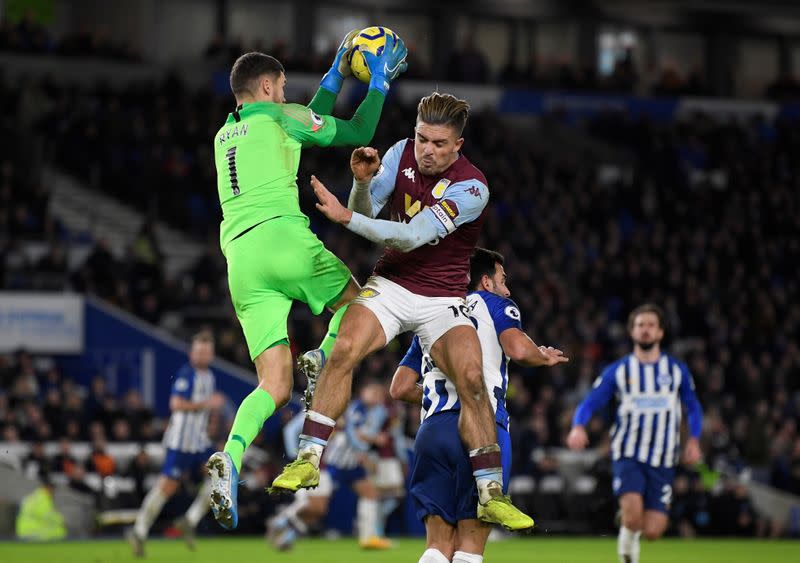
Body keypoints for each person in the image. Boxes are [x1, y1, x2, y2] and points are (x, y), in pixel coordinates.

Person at [271, 93, 533, 531]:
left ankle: (490, 493)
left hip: (444, 299)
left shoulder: (473, 187)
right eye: (421, 138)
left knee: (471, 378)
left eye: (438, 143)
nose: (426, 149)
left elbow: (411, 235)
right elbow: (366, 210)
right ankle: (308, 459)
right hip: (392, 285)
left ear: (458, 146)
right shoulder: (399, 152)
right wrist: (359, 185)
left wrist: (344, 218)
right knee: (345, 346)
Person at [206, 31, 408, 531]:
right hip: (283, 239)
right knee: (358, 304)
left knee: (273, 386)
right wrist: (378, 82)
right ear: (273, 85)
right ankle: (320, 356)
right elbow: (356, 127)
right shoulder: (283, 118)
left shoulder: (226, 132)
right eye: (283, 86)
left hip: (241, 260)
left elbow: (302, 122)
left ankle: (229, 455)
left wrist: (336, 74)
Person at [390, 248, 568, 563]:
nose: (507, 289)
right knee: (469, 548)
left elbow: (399, 387)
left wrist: (437, 395)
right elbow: (517, 347)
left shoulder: (433, 313)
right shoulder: (496, 304)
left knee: (436, 547)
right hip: (482, 429)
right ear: (486, 282)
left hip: (433, 432)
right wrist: (544, 355)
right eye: (503, 280)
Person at [566, 304, 704, 563]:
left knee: (652, 530)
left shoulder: (676, 371)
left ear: (661, 332)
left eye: (651, 325)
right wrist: (578, 425)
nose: (646, 330)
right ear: (632, 332)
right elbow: (590, 402)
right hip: (628, 452)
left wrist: (694, 440)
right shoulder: (618, 370)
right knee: (632, 518)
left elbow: (693, 407)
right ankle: (628, 542)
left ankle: (630, 517)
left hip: (663, 458)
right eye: (641, 325)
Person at [127, 331, 223, 557]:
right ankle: (139, 530)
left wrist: (209, 422)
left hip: (199, 441)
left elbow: (203, 410)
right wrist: (207, 403)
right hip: (182, 441)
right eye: (199, 351)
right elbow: (176, 403)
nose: (202, 355)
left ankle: (189, 520)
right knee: (167, 487)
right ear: (192, 352)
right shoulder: (186, 374)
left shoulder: (209, 376)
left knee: (220, 476)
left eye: (206, 352)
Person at [16, 474, 66, 541]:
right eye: (53, 489)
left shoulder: (34, 496)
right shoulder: (43, 498)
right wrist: (61, 520)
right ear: (48, 488)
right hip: (33, 531)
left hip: (23, 530)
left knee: (59, 531)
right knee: (60, 532)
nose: (54, 491)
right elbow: (47, 515)